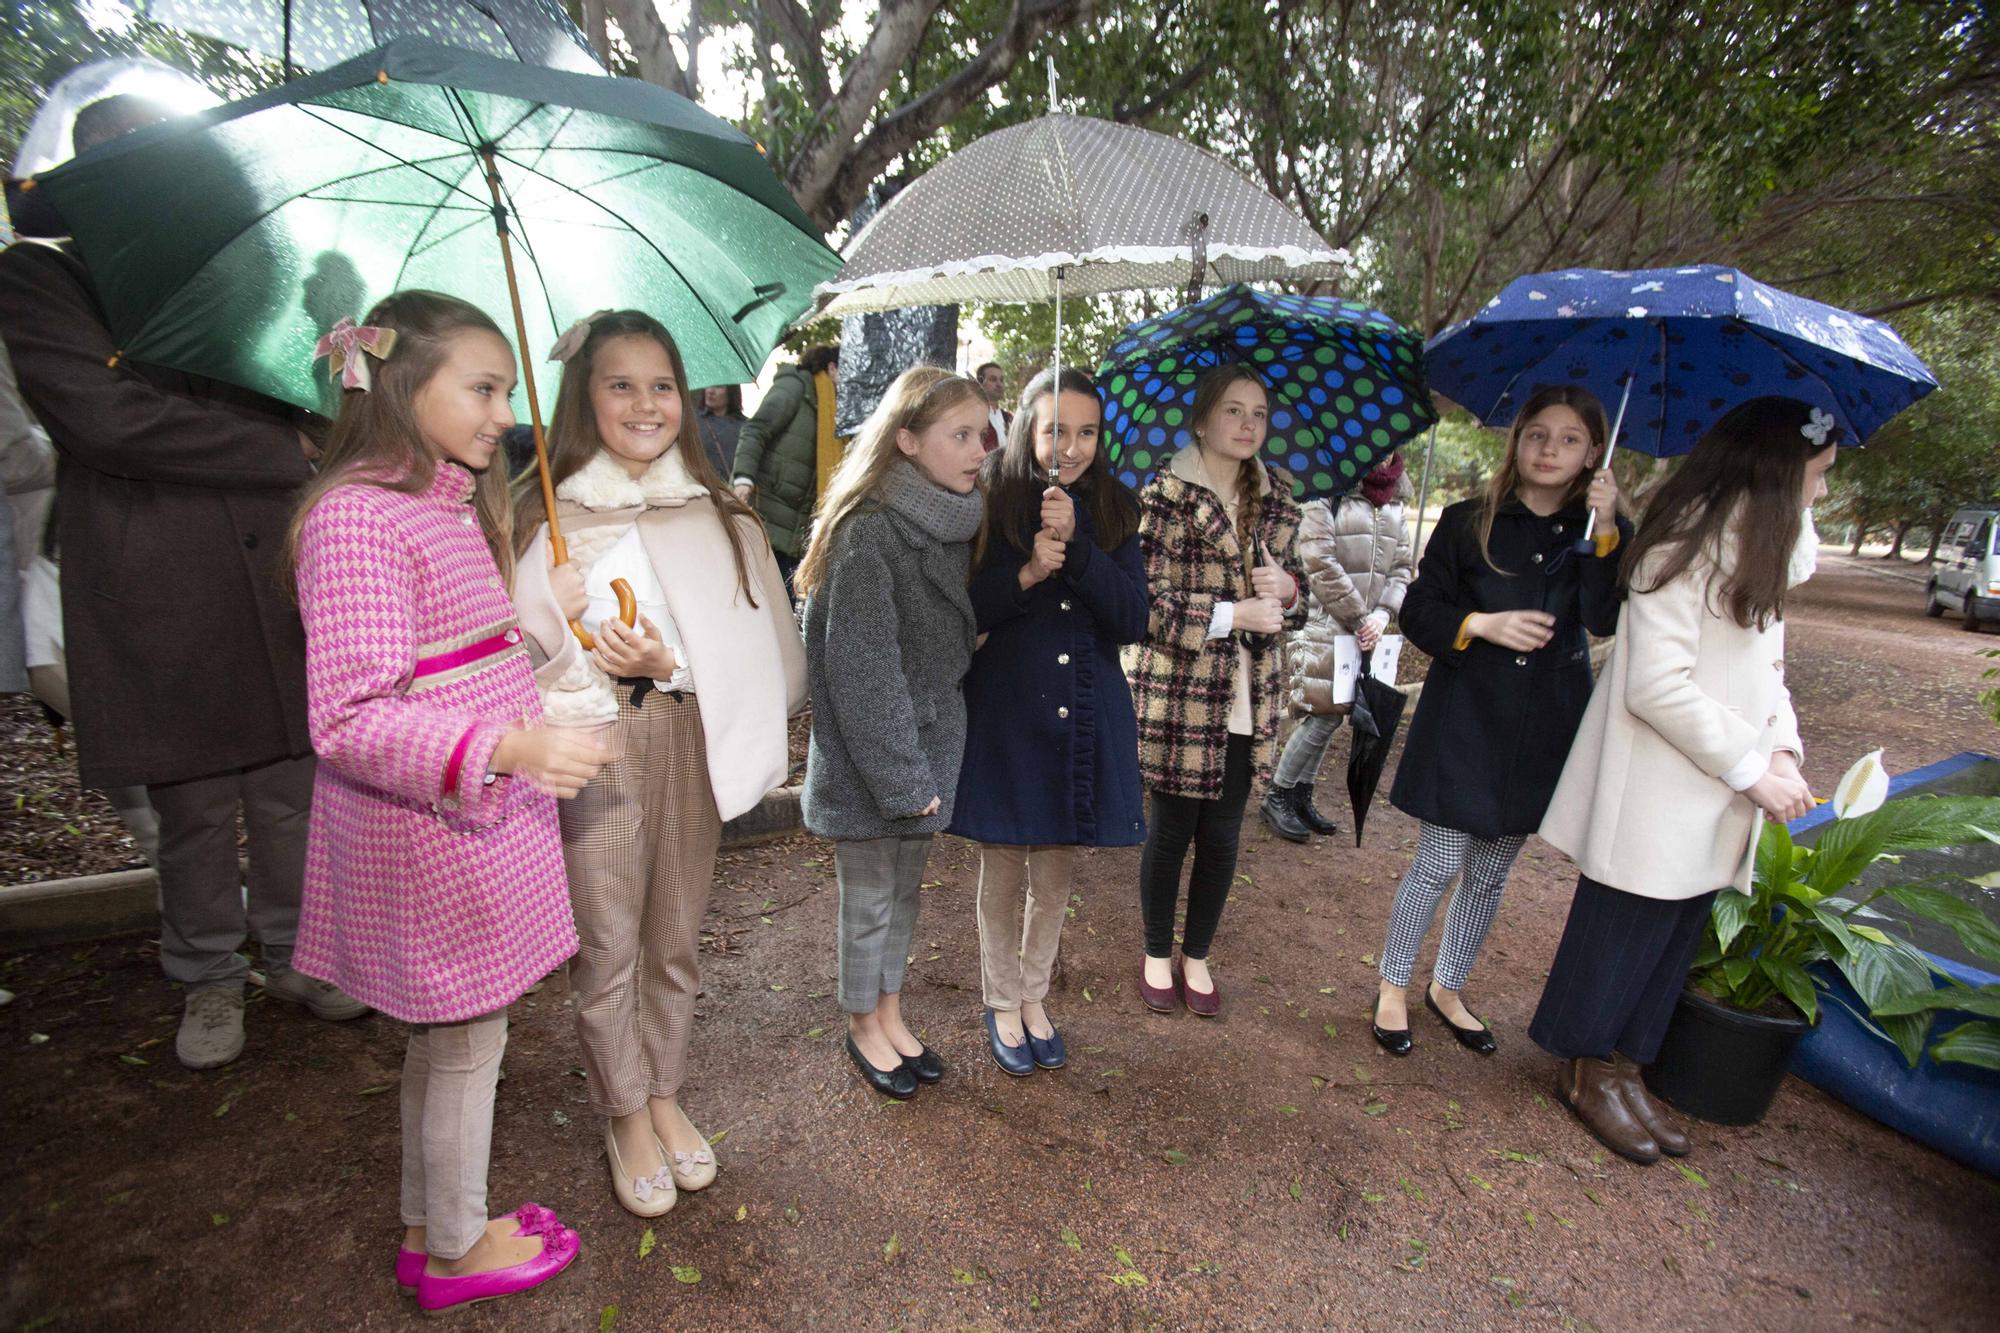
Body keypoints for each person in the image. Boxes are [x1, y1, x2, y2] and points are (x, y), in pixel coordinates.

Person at [0, 93, 364, 1072]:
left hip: (270, 566)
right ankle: (206, 967)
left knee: (293, 783)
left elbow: (315, 394)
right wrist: (277, 447)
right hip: (154, 574)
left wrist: (329, 304)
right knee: (196, 803)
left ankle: (296, 951)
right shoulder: (43, 278)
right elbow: (102, 420)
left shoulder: (240, 263)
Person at [287, 291, 608, 1313]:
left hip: (474, 824)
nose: (503, 410)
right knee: (467, 1043)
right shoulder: (355, 516)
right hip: (433, 833)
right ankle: (459, 1248)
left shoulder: (440, 498)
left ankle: (435, 1225)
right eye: (481, 387)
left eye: (507, 388)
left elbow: (462, 654)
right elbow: (348, 716)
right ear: (398, 383)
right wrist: (510, 745)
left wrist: (543, 622)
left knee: (452, 1037)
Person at [511, 311, 805, 1217]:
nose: (645, 403)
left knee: (674, 934)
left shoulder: (721, 516)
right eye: (619, 383)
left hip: (688, 734)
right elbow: (497, 663)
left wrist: (668, 664)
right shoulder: (544, 511)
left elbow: (776, 660)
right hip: (592, 751)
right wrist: (554, 621)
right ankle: (624, 1110)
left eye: (662, 384)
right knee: (607, 941)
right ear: (581, 397)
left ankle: (665, 1090)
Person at [1531, 397, 1832, 1164]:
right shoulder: (1683, 547)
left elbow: (1768, 672)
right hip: (1660, 785)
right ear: (1776, 473)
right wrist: (1748, 765)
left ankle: (1625, 1068)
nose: (1822, 494)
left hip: (1713, 788)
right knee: (1623, 930)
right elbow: (1656, 686)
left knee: (1670, 939)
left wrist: (1784, 753)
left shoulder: (1756, 550)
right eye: (1818, 475)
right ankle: (1585, 1067)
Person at [1369, 386, 1627, 1059]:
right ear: (1516, 440)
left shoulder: (1599, 533)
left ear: (1593, 452)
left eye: (1570, 439)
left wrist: (1607, 532)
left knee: (1490, 873)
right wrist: (1479, 624)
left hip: (1543, 727)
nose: (1549, 450)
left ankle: (1447, 986)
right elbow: (1421, 611)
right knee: (1439, 863)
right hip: (1466, 722)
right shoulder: (1466, 520)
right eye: (1537, 433)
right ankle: (1393, 984)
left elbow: (1606, 617)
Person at [796, 366, 988, 1099]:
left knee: (903, 895)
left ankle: (890, 1011)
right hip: (875, 761)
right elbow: (861, 674)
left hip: (923, 748)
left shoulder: (943, 524)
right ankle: (861, 1025)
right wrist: (906, 782)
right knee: (870, 899)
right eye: (960, 434)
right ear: (906, 440)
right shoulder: (869, 534)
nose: (979, 450)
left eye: (982, 434)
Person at [951, 368, 1149, 1074]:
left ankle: (1035, 994)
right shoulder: (989, 503)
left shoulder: (1119, 509)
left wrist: (1083, 550)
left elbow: (1133, 618)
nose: (1070, 445)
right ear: (1028, 430)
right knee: (1004, 862)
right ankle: (1001, 997)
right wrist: (1029, 571)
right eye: (1055, 429)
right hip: (1008, 708)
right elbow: (966, 611)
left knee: (1056, 870)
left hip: (1084, 713)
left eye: (1087, 431)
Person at [1130, 364, 1305, 1018]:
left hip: (1250, 693)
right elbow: (1144, 604)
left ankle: (1195, 953)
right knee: (1173, 827)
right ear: (1201, 419)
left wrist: (1288, 591)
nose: (1248, 425)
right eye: (1233, 411)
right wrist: (1232, 614)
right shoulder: (1163, 496)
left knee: (1225, 834)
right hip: (1181, 692)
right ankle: (1155, 949)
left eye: (1259, 413)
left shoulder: (1280, 498)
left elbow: (1300, 597)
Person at [1260, 453, 1415, 841]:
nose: (1385, 449)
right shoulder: (1325, 488)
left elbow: (1401, 566)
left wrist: (1382, 615)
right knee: (1321, 715)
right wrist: (1360, 616)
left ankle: (1299, 794)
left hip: (1367, 629)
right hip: (1321, 620)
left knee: (1338, 710)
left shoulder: (1397, 496)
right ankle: (1278, 793)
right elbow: (1317, 561)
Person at [733, 346, 838, 585]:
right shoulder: (796, 387)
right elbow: (755, 430)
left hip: (798, 536)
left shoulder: (838, 409)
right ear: (831, 367)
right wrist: (743, 478)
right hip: (767, 518)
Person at [695, 383, 747, 477]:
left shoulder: (745, 427)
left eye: (718, 386)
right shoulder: (693, 422)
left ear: (731, 392)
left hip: (733, 488)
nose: (710, 391)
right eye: (709, 384)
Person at [976, 360, 1011, 452]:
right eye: (993, 379)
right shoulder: (973, 416)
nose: (999, 384)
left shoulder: (1009, 418)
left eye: (1001, 380)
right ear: (980, 382)